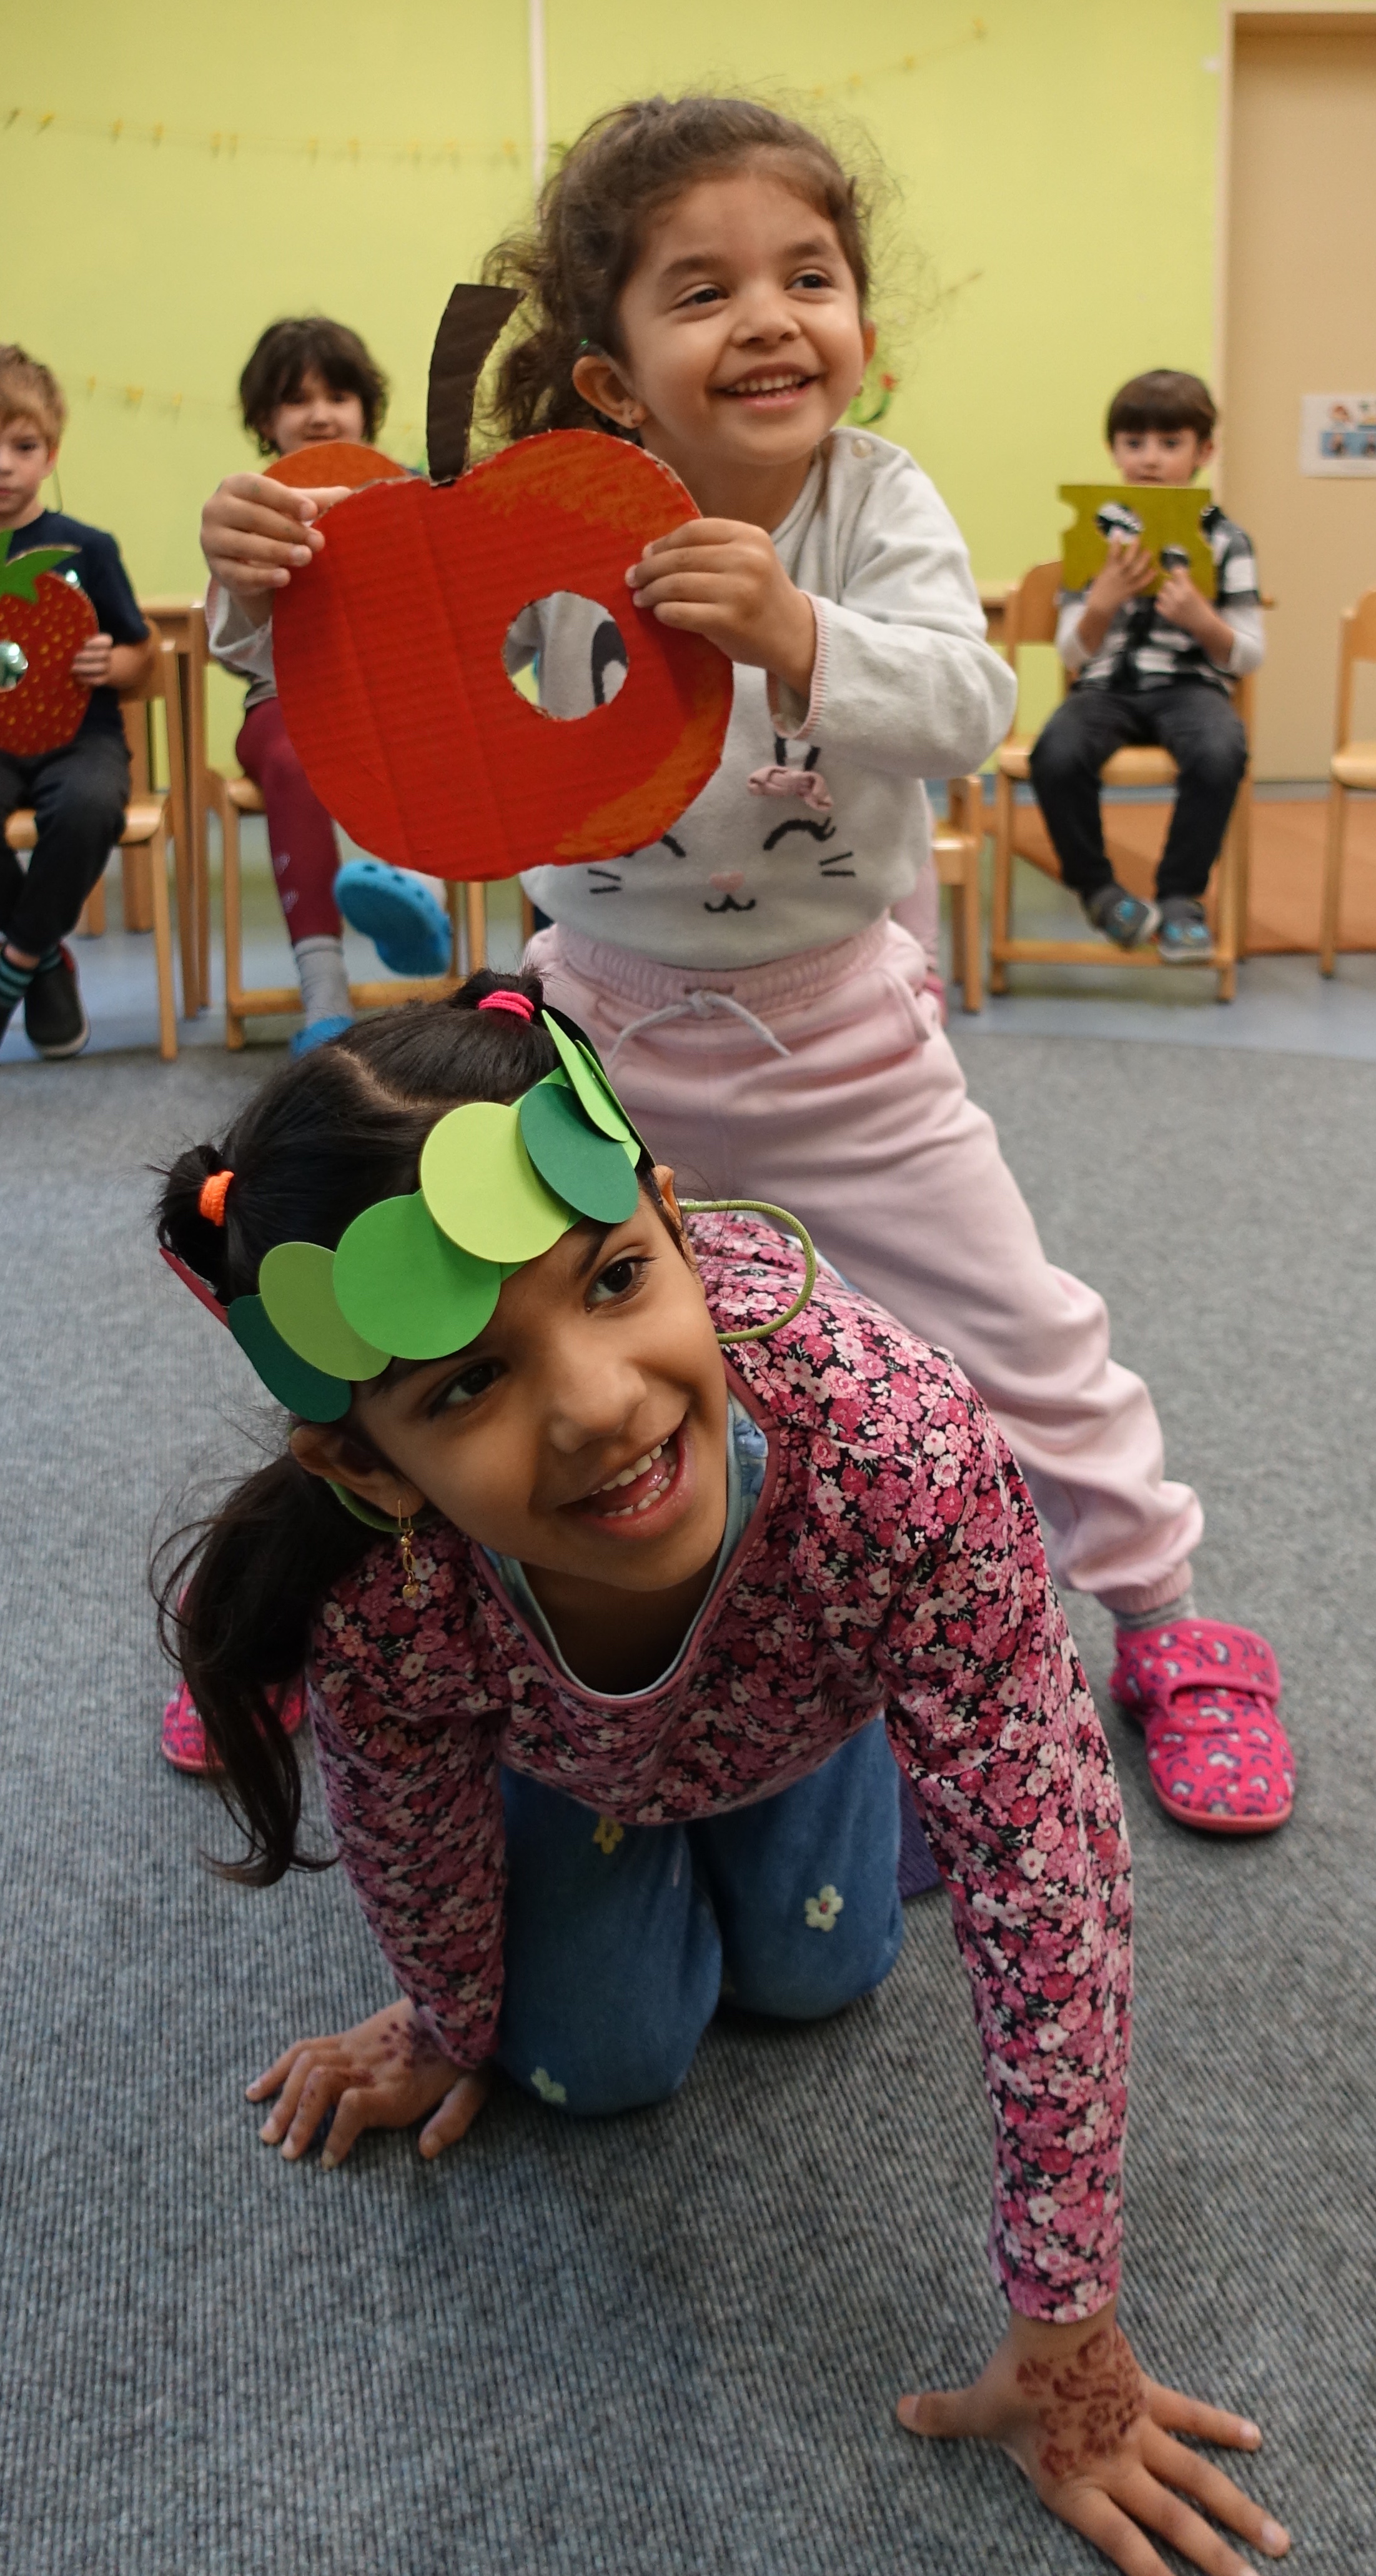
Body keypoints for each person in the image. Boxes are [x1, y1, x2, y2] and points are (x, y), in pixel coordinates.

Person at [195, 98, 1294, 1842]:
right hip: (594, 1039)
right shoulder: (549, 513)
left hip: (838, 1036)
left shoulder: (875, 502)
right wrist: (264, 595)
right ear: (615, 374)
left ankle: (1169, 1624)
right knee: (444, 1315)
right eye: (699, 292)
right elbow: (393, 688)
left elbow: (967, 704)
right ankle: (303, 1620)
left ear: (862, 322)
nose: (770, 316)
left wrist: (796, 629)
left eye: (810, 276)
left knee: (1019, 1330)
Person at [154, 975, 1289, 2576]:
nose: (601, 1403)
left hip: (794, 1711)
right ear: (363, 1466)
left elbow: (1054, 1888)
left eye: (617, 1278)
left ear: (676, 1230)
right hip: (565, 1755)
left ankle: (871, 1763)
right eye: (463, 1386)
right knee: (594, 2066)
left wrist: (1067, 2319)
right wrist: (445, 2016)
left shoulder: (894, 1453)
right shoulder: (381, 1593)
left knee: (829, 1969)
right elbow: (404, 1825)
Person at [211, 316, 453, 1052]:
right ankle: (324, 997)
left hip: (389, 702)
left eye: (338, 395)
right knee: (294, 761)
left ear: (365, 411)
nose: (319, 413)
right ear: (266, 420)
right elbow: (230, 645)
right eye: (296, 399)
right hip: (283, 706)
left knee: (439, 728)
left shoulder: (402, 493)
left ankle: (414, 897)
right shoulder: (250, 509)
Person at [1030, 369, 1262, 965]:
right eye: (1134, 444)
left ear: (1203, 452)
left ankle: (1181, 898)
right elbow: (1071, 654)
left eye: (1169, 443)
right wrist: (1099, 605)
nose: (1150, 459)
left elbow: (1248, 652)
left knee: (1220, 751)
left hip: (1190, 690)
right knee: (1054, 754)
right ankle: (1100, 892)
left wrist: (1200, 619)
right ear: (1114, 452)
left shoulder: (1227, 541)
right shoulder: (1094, 533)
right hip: (1105, 688)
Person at [0, 345, 153, 1059]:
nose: (4, 463)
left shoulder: (87, 548)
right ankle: (43, 959)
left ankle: (19, 961)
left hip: (80, 736)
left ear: (50, 454)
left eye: (22, 446)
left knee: (89, 806)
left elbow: (139, 652)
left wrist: (110, 659)